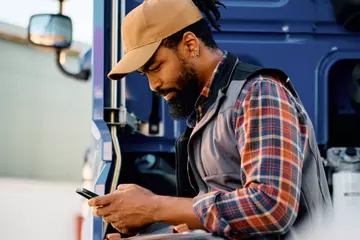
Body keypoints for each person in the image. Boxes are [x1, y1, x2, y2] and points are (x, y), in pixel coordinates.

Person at [88, 0, 333, 239]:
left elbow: (270, 207)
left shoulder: (259, 93)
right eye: (145, 74)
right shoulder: (205, 114)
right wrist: (151, 227)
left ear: (191, 44)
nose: (153, 85)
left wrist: (153, 207)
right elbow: (222, 222)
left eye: (156, 67)